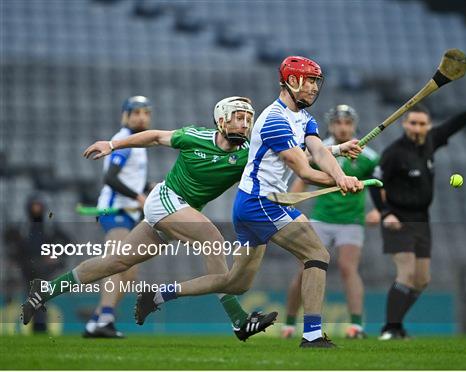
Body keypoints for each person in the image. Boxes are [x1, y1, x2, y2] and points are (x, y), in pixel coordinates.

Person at [133, 56, 366, 349]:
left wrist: (339, 171)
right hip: (262, 203)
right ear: (291, 81)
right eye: (308, 81)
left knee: (235, 283)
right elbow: (304, 170)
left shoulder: (305, 117)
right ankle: (312, 335)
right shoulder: (274, 120)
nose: (314, 88)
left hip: (256, 204)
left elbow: (318, 153)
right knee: (317, 254)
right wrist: (340, 181)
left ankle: (157, 295)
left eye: (316, 82)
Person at [21, 96, 278, 341]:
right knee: (213, 240)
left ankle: (45, 290)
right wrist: (112, 145)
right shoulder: (194, 136)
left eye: (248, 119)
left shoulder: (248, 154)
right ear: (222, 119)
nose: (245, 124)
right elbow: (155, 137)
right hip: (164, 200)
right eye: (238, 117)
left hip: (179, 211)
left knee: (116, 262)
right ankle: (238, 320)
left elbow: (284, 160)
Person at [372, 77, 466, 340]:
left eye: (422, 123)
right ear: (404, 124)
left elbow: (454, 124)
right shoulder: (393, 153)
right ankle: (390, 329)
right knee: (405, 273)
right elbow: (375, 182)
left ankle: (396, 325)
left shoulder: (430, 141)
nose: (417, 128)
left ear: (428, 125)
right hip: (398, 219)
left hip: (422, 220)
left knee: (422, 280)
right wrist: (385, 213)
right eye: (413, 123)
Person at [281, 104, 379, 339]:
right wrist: (289, 203)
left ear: (354, 125)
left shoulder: (369, 156)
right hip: (321, 219)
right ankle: (289, 323)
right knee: (306, 269)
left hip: (351, 220)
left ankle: (356, 325)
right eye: (338, 123)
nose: (343, 128)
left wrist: (379, 211)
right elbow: (302, 180)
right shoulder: (321, 150)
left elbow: (379, 189)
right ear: (331, 125)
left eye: (347, 123)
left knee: (348, 268)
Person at [84, 96, 152, 338]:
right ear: (126, 115)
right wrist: (138, 196)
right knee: (117, 263)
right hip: (114, 211)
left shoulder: (137, 142)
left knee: (130, 273)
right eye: (136, 113)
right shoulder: (123, 140)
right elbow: (110, 178)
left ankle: (97, 319)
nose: (141, 117)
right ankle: (104, 318)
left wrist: (150, 189)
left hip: (128, 213)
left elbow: (134, 179)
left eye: (145, 112)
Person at [4, 193, 69, 333]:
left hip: (44, 267)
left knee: (40, 295)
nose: (36, 209)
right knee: (31, 295)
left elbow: (67, 242)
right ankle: (36, 325)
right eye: (34, 206)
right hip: (26, 266)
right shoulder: (22, 225)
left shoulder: (49, 226)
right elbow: (10, 242)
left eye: (39, 206)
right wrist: (15, 258)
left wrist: (56, 256)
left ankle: (39, 325)